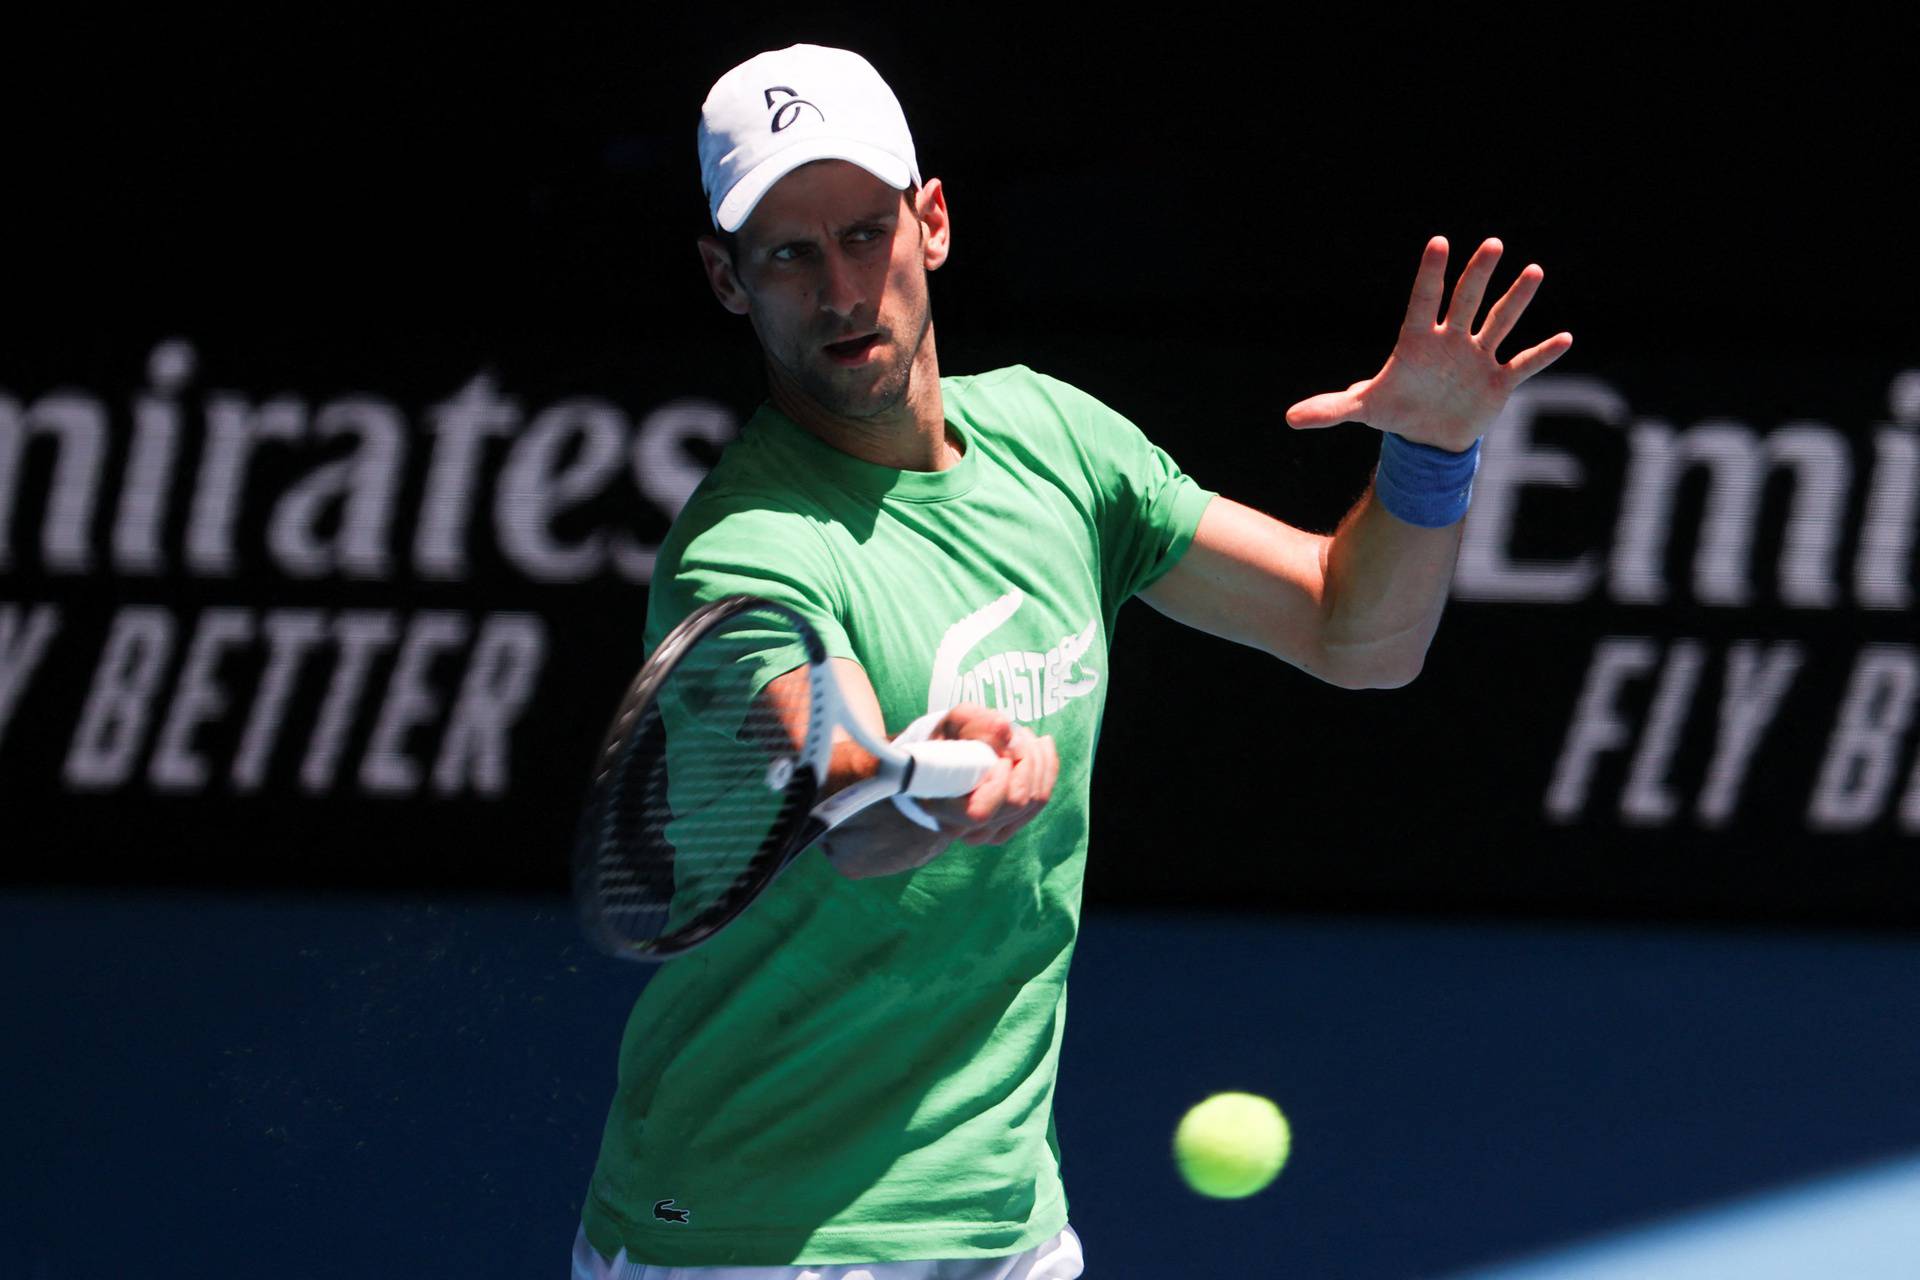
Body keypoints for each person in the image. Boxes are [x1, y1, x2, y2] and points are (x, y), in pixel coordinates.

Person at [574, 42, 1570, 1280]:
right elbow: (838, 794)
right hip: (752, 1238)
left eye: (863, 231)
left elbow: (1353, 634)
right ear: (728, 279)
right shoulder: (746, 552)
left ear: (930, 222)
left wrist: (1430, 455)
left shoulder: (1056, 442)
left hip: (1008, 1223)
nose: (839, 288)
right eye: (787, 252)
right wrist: (917, 782)